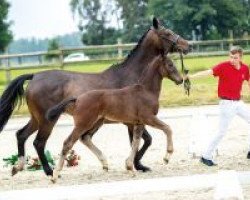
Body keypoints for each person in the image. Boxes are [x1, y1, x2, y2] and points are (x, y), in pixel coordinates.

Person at [188, 46, 250, 166]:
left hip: (238, 102)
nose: (232, 60)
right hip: (226, 104)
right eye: (231, 57)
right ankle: (206, 156)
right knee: (221, 132)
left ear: (240, 57)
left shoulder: (245, 68)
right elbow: (208, 72)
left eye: (235, 58)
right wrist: (191, 76)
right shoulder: (223, 66)